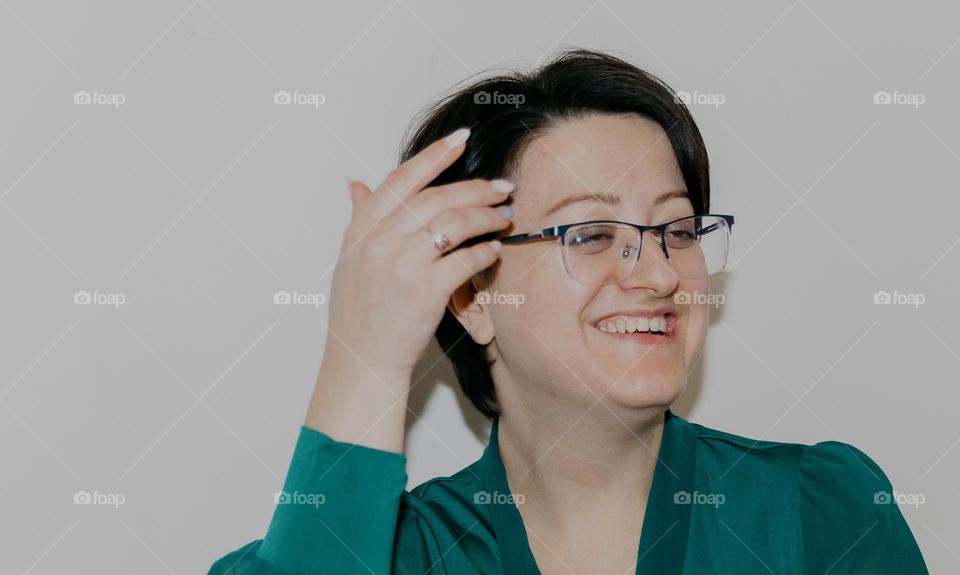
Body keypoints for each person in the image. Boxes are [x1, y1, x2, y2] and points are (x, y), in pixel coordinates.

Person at [208, 48, 928, 574]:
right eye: (589, 234)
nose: (655, 272)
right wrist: (362, 351)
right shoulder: (382, 553)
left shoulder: (817, 514)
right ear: (473, 296)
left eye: (677, 229)